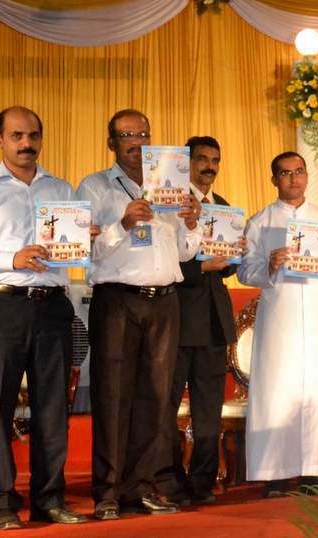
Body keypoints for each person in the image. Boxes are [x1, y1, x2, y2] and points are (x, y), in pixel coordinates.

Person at [0, 107, 90, 529]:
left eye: (33, 135)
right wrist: (12, 257)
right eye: (16, 135)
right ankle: (2, 502)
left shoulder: (61, 189)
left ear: (41, 138)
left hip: (54, 307)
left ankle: (49, 499)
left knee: (53, 408)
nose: (26, 143)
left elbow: (73, 250)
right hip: (2, 307)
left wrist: (87, 239)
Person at [78, 109, 201, 519]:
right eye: (127, 135)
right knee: (113, 395)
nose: (137, 142)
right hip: (117, 300)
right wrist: (123, 224)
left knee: (157, 398)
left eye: (143, 134)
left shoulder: (172, 185)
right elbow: (82, 249)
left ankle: (142, 487)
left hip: (165, 300)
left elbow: (185, 253)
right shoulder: (95, 186)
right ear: (111, 143)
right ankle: (108, 492)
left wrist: (192, 224)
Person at [237, 151, 318, 497]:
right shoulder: (261, 221)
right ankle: (275, 474)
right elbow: (245, 272)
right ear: (274, 179)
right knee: (279, 391)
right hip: (280, 317)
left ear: (306, 175)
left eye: (299, 171)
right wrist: (269, 265)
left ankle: (317, 471)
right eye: (286, 173)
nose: (294, 178)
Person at [156, 136, 238, 506]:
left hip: (213, 321)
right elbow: (160, 259)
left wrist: (235, 255)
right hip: (175, 319)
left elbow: (227, 268)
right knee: (166, 407)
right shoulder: (169, 203)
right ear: (186, 164)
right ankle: (170, 482)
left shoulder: (223, 207)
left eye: (215, 160)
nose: (209, 166)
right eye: (202, 159)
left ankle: (202, 483)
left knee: (209, 410)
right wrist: (200, 268)